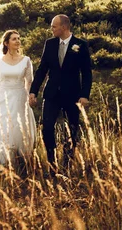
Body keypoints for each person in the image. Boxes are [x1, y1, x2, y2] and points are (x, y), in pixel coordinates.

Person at [28, 14, 92, 173]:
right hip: (51, 94)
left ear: (64, 27)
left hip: (73, 95)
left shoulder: (81, 45)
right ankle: (52, 162)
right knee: (47, 128)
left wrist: (85, 95)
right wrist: (33, 91)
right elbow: (42, 69)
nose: (51, 29)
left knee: (72, 129)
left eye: (54, 26)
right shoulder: (49, 44)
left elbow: (87, 73)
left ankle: (68, 162)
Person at [0, 30, 37, 172]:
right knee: (3, 127)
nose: (18, 41)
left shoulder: (26, 60)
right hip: (2, 97)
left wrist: (29, 97)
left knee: (18, 128)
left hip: (20, 96)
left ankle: (21, 162)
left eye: (19, 38)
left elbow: (29, 81)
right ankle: (2, 162)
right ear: (6, 43)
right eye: (14, 39)